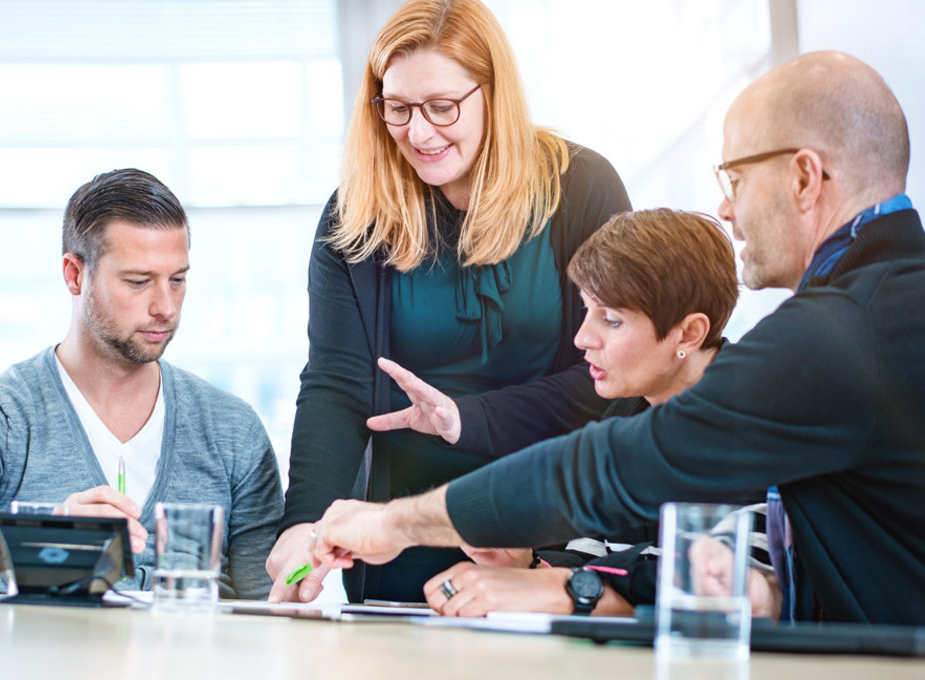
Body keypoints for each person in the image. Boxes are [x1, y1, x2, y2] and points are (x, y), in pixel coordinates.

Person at [305, 51, 925, 625]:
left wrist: (400, 523)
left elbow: (611, 466)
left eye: (735, 178)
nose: (726, 208)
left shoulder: (838, 335)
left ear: (804, 178)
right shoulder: (890, 310)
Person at [266, 0, 630, 603]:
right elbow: (336, 383)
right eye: (398, 108)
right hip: (397, 539)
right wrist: (303, 522)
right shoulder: (355, 214)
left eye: (442, 107)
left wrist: (468, 419)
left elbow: (615, 376)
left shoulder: (581, 188)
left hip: (550, 535)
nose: (419, 132)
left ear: (495, 94)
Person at [414, 208, 773, 617]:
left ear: (688, 334)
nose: (583, 338)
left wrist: (565, 586)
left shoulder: (760, 420)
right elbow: (593, 562)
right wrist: (527, 564)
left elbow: (719, 586)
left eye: (612, 320)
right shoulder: (625, 412)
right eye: (587, 310)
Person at [0, 169, 285, 599]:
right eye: (138, 282)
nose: (166, 308)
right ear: (74, 275)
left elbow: (267, 605)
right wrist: (38, 549)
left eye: (177, 280)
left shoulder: (233, 431)